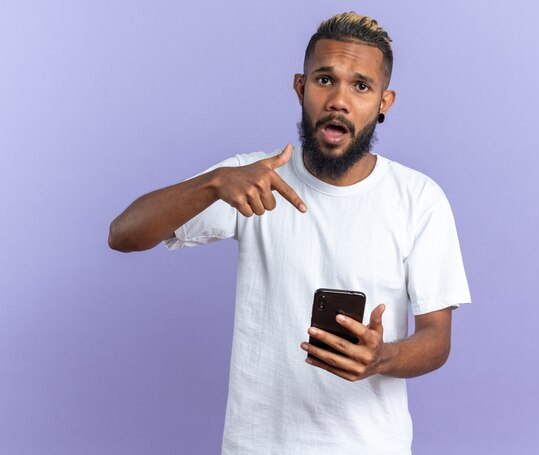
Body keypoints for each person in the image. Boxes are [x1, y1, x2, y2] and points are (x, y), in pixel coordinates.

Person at [109, 12, 471, 454]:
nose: (339, 100)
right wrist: (213, 182)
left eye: (361, 86)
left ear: (384, 102)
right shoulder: (252, 178)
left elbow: (437, 339)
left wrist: (382, 358)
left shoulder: (419, 199)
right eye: (324, 80)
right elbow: (123, 234)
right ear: (300, 88)